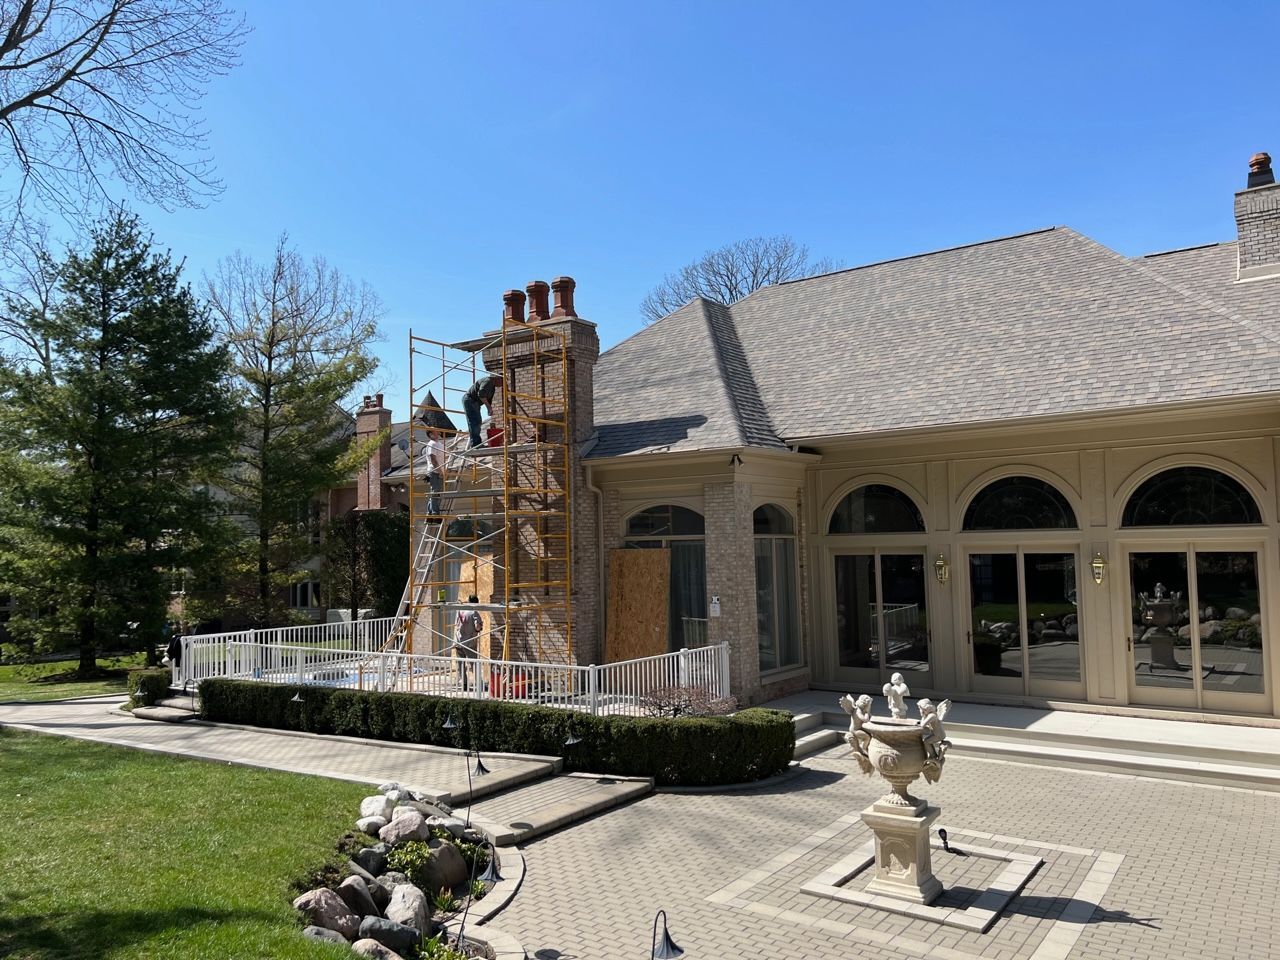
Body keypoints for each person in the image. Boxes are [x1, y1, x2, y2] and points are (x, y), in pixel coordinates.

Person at [463, 375, 502, 448]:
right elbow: (481, 395)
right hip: (470, 400)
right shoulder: (487, 381)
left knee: (478, 421)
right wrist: (489, 408)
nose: (501, 385)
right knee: (474, 421)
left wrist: (489, 408)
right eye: (502, 382)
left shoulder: (492, 387)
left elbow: (488, 399)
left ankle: (477, 443)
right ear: (498, 379)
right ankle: (475, 444)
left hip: (475, 402)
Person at [454, 595, 483, 691]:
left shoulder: (460, 610)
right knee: (474, 664)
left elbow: (457, 625)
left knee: (461, 664)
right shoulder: (474, 612)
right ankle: (479, 684)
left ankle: (464, 684)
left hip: (458, 641)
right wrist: (479, 628)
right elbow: (477, 627)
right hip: (469, 643)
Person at [425, 426, 445, 516]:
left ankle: (430, 512)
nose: (438, 432)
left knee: (436, 492)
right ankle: (434, 513)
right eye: (435, 431)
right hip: (434, 471)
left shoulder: (439, 444)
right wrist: (440, 471)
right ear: (431, 434)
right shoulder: (432, 444)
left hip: (439, 471)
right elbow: (433, 459)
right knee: (435, 492)